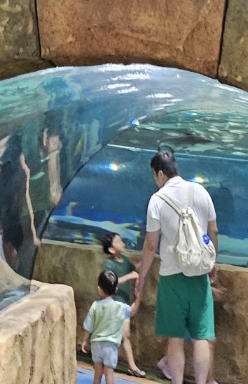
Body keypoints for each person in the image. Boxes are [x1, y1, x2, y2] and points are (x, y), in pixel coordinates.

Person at [133, 150, 218, 384]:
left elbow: (151, 244)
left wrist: (142, 275)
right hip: (199, 275)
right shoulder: (201, 191)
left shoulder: (157, 200)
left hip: (172, 277)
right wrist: (212, 263)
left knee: (175, 337)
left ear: (160, 174)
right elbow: (213, 231)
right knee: (201, 336)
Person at [99, 230, 145, 376]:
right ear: (111, 249)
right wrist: (130, 276)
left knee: (125, 335)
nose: (122, 243)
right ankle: (129, 365)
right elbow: (110, 282)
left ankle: (129, 365)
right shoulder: (109, 264)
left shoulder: (125, 261)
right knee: (121, 335)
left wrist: (145, 259)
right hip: (114, 303)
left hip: (124, 303)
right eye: (118, 241)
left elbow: (135, 269)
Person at [81, 268, 132, 384]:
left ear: (99, 288)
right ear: (116, 289)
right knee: (109, 374)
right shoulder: (119, 307)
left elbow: (88, 325)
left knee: (97, 374)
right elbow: (132, 310)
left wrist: (84, 340)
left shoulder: (95, 305)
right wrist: (138, 298)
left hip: (96, 345)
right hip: (110, 346)